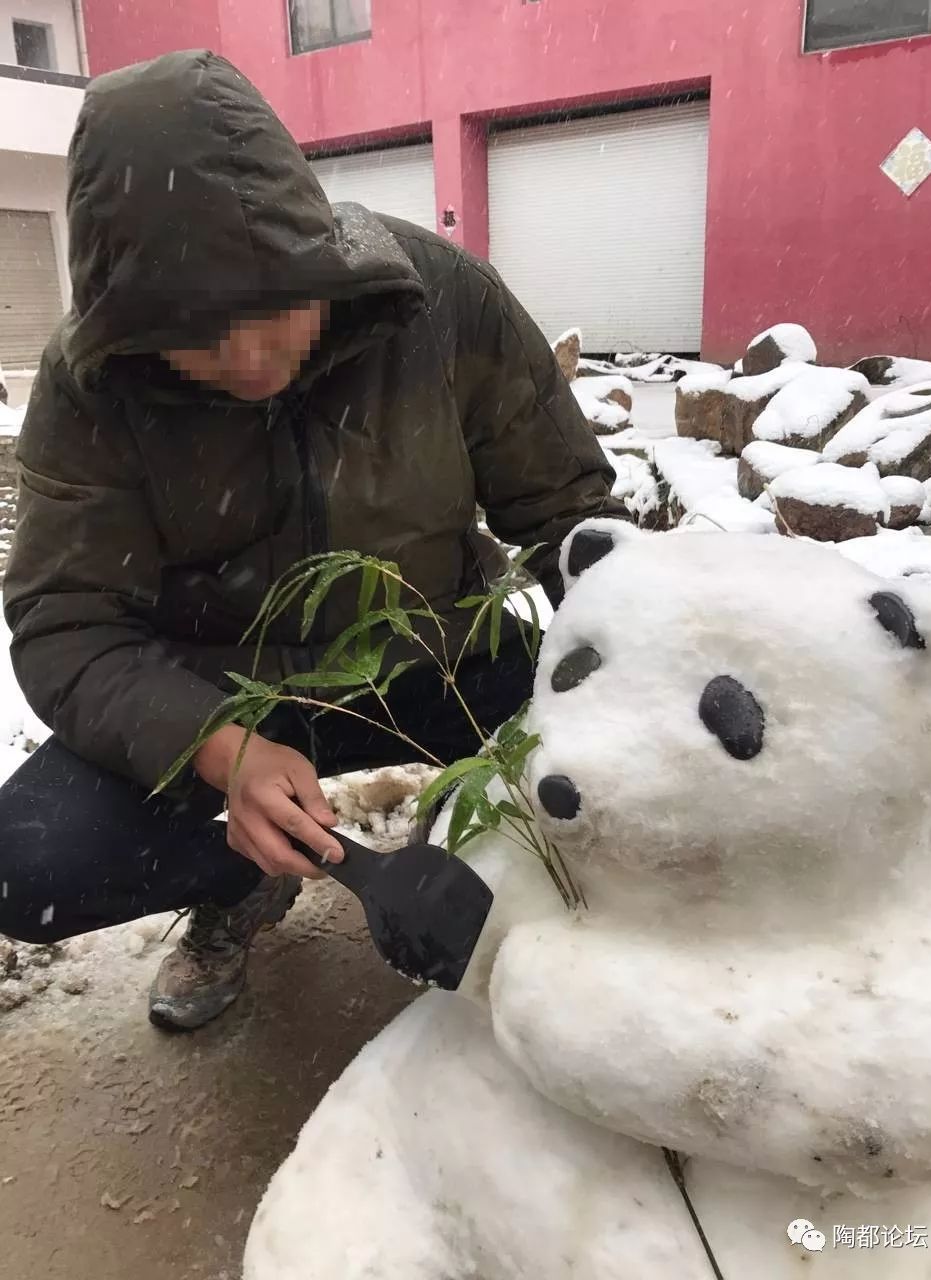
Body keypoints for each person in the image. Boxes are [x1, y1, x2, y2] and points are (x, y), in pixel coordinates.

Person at [0, 50, 624, 1031]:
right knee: (32, 858)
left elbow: (571, 516)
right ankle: (244, 879)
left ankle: (506, 867)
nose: (249, 362)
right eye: (199, 339)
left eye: (273, 309)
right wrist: (215, 748)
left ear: (316, 249)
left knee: (608, 735)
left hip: (439, 667)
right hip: (231, 700)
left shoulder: (442, 299)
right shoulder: (95, 383)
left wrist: (649, 670)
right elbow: (63, 623)